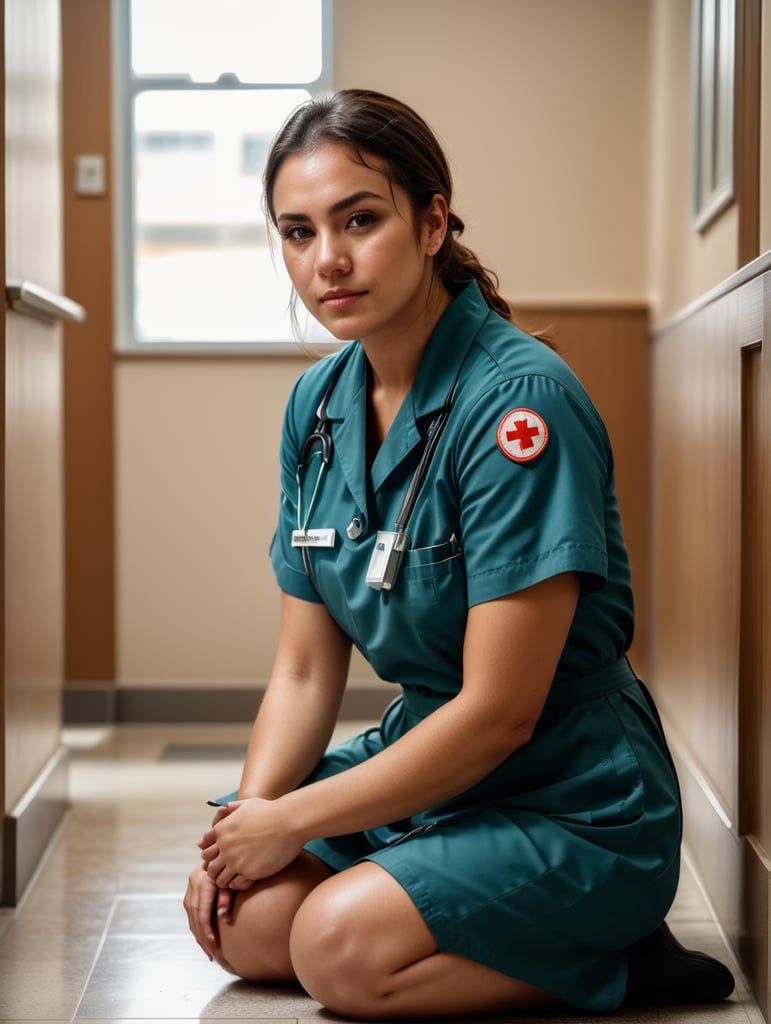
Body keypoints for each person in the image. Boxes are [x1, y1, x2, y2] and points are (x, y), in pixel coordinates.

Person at [184, 89, 734, 1020]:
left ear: (432, 220)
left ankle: (620, 959)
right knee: (246, 922)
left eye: (359, 219)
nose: (329, 260)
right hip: (427, 761)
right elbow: (305, 672)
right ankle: (439, 901)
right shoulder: (316, 408)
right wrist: (247, 823)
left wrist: (295, 821)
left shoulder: (520, 405)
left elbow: (497, 715)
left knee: (335, 954)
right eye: (297, 232)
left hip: (569, 791)